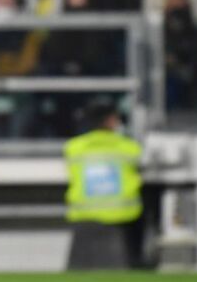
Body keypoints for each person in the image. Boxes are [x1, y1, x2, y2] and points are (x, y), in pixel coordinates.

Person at [63, 102, 146, 268]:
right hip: (121, 217)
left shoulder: (73, 147)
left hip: (83, 216)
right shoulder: (129, 148)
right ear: (111, 121)